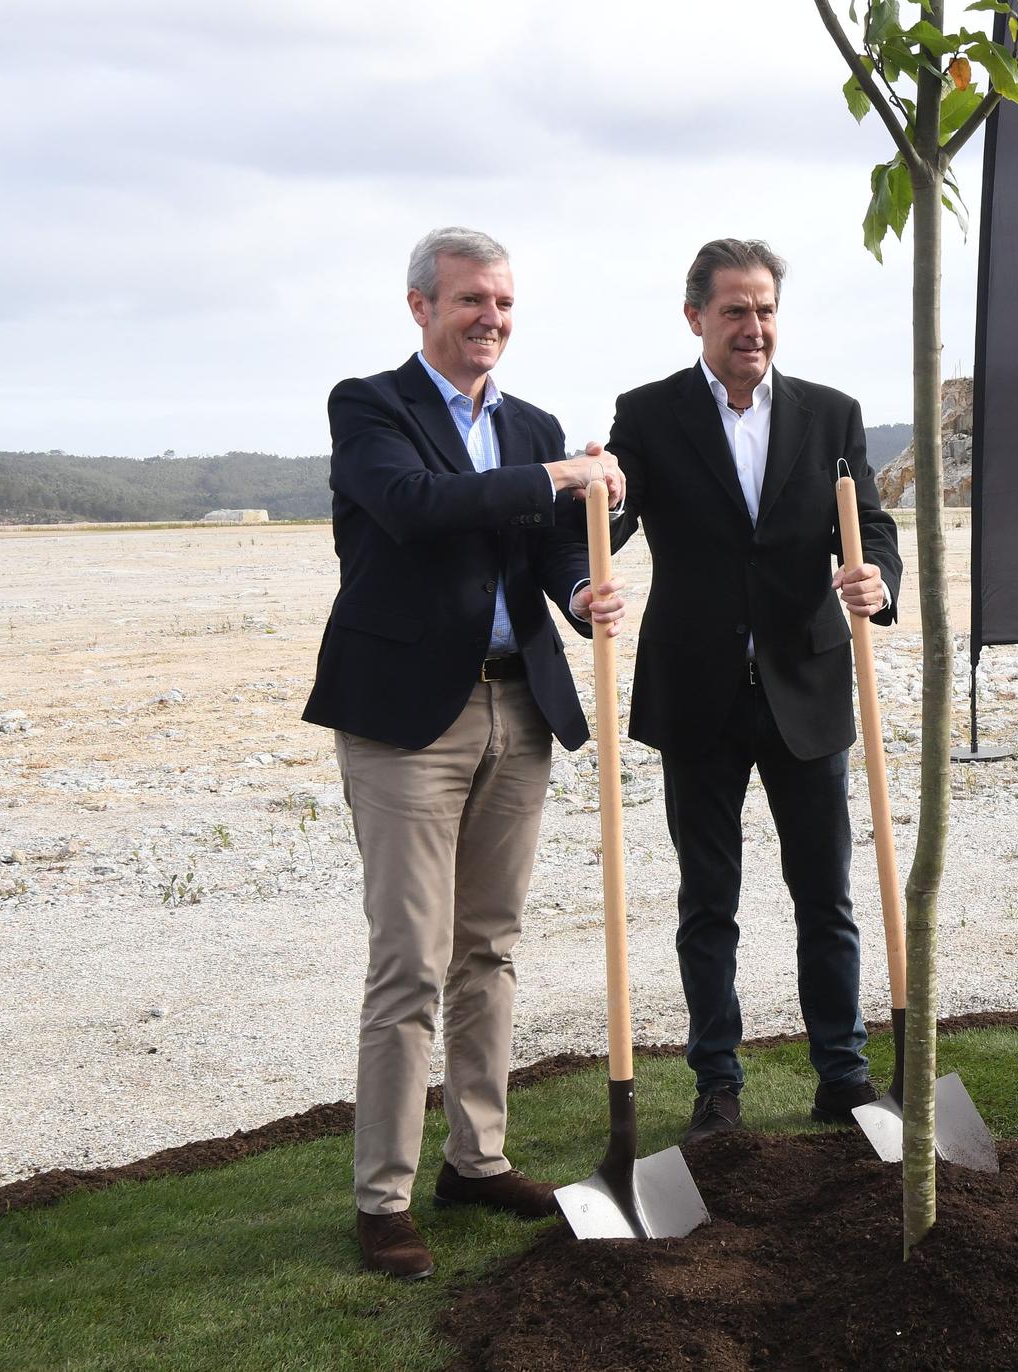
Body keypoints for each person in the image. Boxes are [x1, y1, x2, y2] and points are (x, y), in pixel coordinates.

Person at [303, 226, 626, 1280]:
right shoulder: (371, 407)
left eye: (501, 303)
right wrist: (559, 473)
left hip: (516, 712)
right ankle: (380, 1198)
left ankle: (477, 1160)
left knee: (488, 948)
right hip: (405, 721)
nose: (489, 318)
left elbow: (543, 555)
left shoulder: (528, 423)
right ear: (420, 307)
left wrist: (583, 589)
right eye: (469, 301)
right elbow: (412, 508)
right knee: (408, 960)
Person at [606, 238, 901, 1145]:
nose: (753, 327)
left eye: (765, 309)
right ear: (696, 317)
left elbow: (874, 531)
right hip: (696, 692)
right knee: (709, 902)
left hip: (806, 686)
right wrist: (584, 554)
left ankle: (843, 1079)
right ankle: (717, 1091)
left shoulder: (830, 415)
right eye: (734, 310)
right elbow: (606, 527)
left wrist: (877, 579)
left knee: (828, 895)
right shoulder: (647, 416)